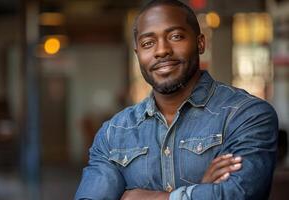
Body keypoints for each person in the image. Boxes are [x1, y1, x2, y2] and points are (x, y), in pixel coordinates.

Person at [75, 0, 278, 199]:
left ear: (200, 43)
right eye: (148, 43)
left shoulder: (246, 115)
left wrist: (149, 197)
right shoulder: (114, 133)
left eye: (176, 36)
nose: (162, 50)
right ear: (138, 54)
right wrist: (201, 191)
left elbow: (237, 194)